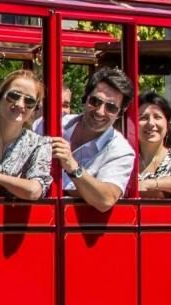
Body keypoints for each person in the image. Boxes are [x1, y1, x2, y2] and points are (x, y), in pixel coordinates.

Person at [51, 66, 136, 212]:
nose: (100, 111)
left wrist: (73, 167)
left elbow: (106, 200)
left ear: (120, 113)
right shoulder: (53, 125)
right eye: (95, 101)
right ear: (85, 98)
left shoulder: (121, 151)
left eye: (111, 107)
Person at [0, 69, 51, 201]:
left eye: (29, 101)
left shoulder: (39, 144)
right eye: (14, 96)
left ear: (34, 109)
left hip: (10, 218)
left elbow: (34, 191)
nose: (20, 104)